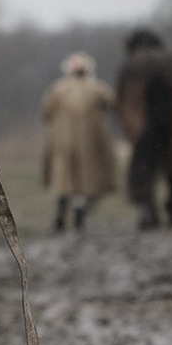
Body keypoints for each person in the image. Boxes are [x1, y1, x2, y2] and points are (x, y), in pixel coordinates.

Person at [41, 51, 118, 231]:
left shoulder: (58, 88)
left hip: (63, 141)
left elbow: (46, 112)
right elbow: (112, 104)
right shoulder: (97, 88)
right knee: (85, 178)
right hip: (89, 143)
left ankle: (60, 216)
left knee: (63, 178)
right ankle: (79, 219)